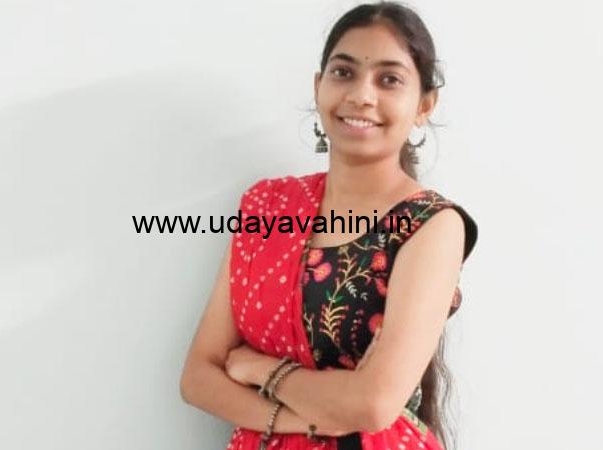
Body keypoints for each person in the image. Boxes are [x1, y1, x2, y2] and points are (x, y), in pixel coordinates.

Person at [180, 2, 478, 449]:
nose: (361, 95)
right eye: (344, 72)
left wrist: (261, 370)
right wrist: (308, 420)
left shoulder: (431, 226)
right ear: (318, 86)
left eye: (389, 79)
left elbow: (373, 405)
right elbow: (198, 377)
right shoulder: (269, 207)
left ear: (424, 105)